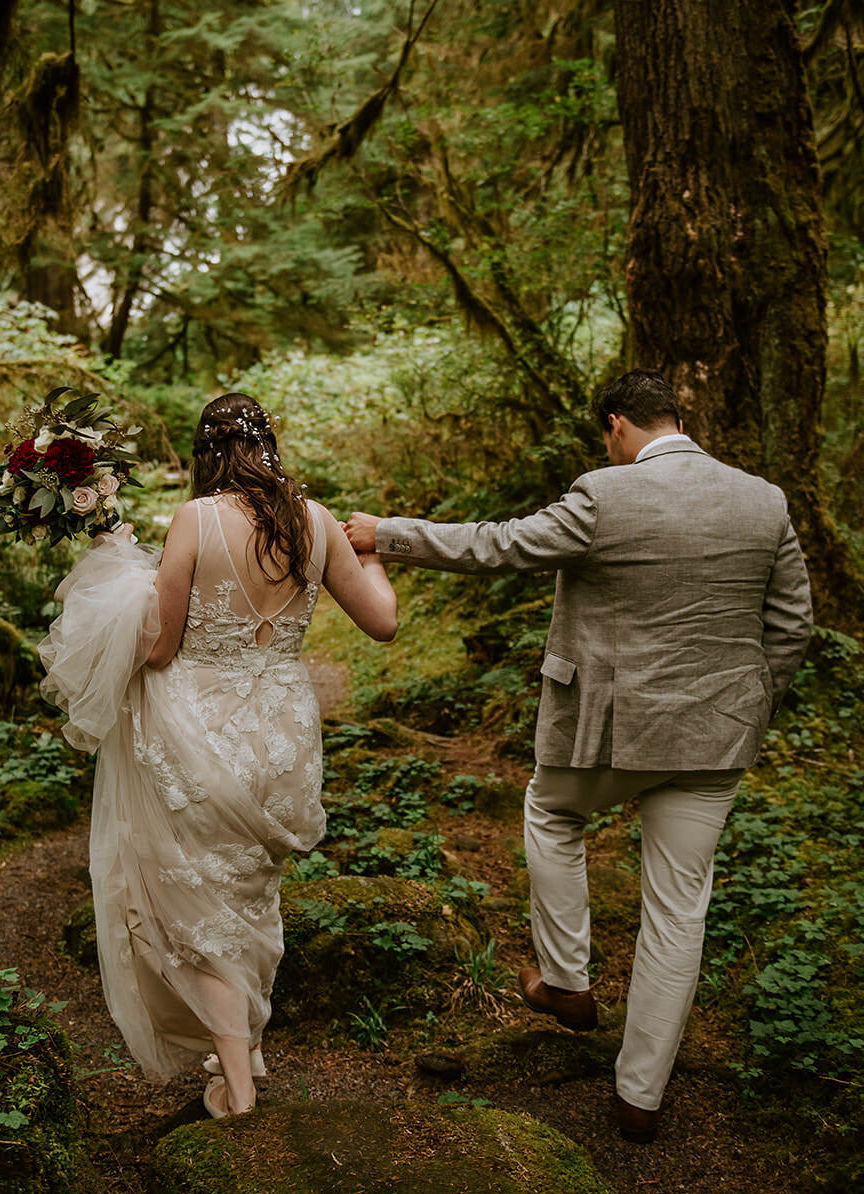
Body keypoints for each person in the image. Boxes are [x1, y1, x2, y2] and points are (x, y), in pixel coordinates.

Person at [344, 370, 812, 1142]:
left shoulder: (604, 492)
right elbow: (790, 625)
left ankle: (565, 979)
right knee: (678, 911)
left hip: (610, 729)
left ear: (616, 424)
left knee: (553, 812)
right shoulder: (763, 500)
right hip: (715, 736)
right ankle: (640, 1096)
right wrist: (748, 705)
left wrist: (387, 534)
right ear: (678, 420)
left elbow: (500, 547)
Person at [39, 394, 396, 1117]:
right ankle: (248, 1049)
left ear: (206, 455)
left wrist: (116, 593)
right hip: (283, 729)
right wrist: (376, 555)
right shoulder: (315, 519)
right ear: (269, 446)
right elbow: (382, 623)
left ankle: (235, 1083)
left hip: (196, 725)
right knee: (248, 891)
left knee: (194, 899)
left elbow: (163, 645)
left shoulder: (194, 521)